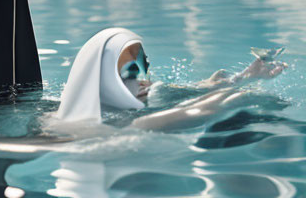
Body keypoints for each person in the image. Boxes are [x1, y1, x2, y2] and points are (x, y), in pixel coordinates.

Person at [56, 26, 287, 131]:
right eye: (131, 72)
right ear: (103, 80)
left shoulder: (145, 94)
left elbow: (200, 88)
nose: (146, 82)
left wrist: (246, 76)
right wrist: (231, 97)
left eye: (145, 68)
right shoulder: (77, 125)